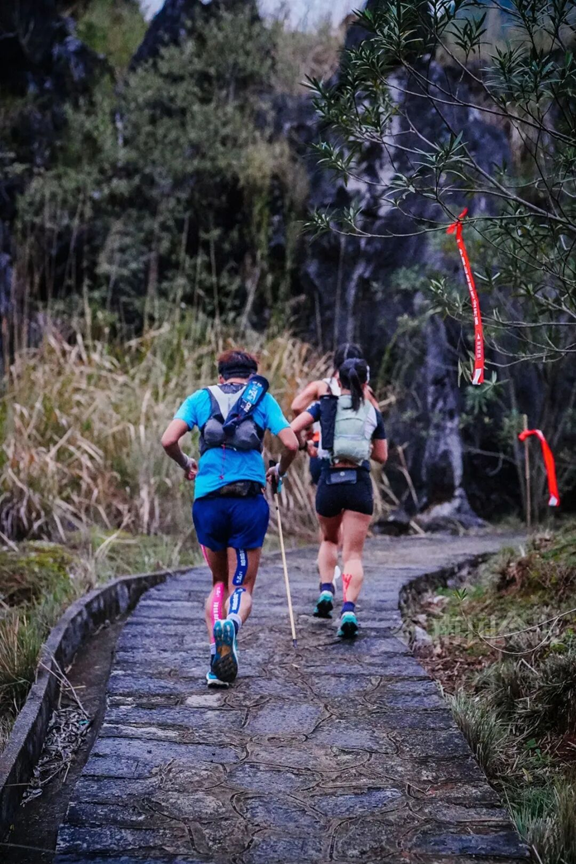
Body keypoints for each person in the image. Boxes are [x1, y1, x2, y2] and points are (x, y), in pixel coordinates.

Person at [161, 349, 298, 686]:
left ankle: (215, 659)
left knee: (218, 583)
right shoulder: (263, 401)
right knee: (243, 584)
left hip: (208, 503)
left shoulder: (199, 398)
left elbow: (168, 440)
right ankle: (232, 625)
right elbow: (292, 443)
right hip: (248, 503)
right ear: (253, 376)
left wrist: (186, 463)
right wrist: (278, 470)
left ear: (221, 376)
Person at [291, 358, 388, 638]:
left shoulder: (324, 405)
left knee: (329, 539)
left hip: (329, 480)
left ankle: (325, 591)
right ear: (366, 383)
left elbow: (293, 428)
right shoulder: (372, 411)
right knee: (353, 554)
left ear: (338, 380)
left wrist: (306, 445)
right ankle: (348, 609)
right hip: (358, 483)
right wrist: (361, 446)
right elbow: (382, 456)